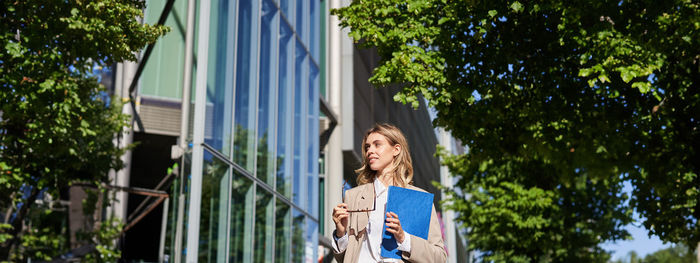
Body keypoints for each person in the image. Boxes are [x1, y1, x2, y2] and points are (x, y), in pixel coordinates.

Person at [331, 123, 447, 263]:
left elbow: (439, 258)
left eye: (377, 145)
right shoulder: (353, 196)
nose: (370, 151)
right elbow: (343, 258)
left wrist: (404, 238)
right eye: (368, 147)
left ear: (396, 150)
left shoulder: (419, 200)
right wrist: (340, 233)